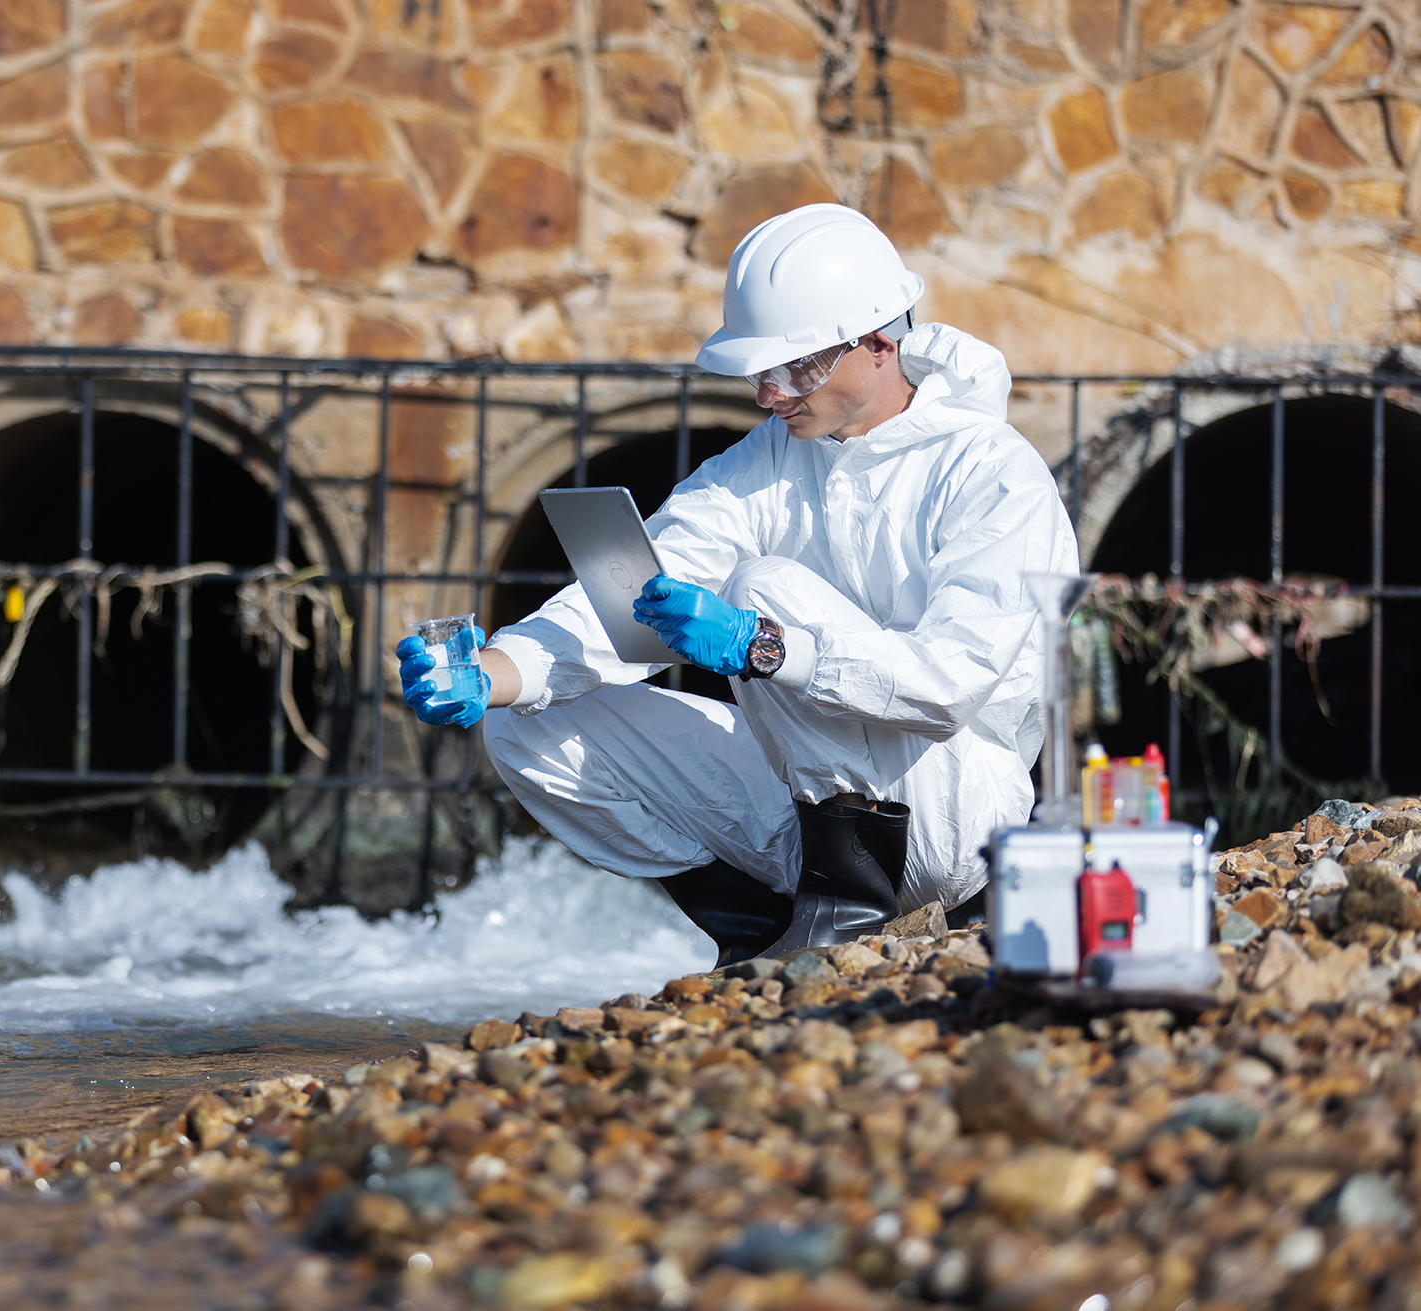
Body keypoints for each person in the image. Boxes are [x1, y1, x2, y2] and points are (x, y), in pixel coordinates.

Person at [397, 203, 1080, 968]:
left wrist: (764, 644)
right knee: (525, 724)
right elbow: (643, 586)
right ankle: (755, 927)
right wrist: (498, 671)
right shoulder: (768, 461)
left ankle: (850, 908)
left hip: (955, 813)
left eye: (794, 367)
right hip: (807, 807)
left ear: (881, 342)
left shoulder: (995, 473)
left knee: (763, 586)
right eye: (761, 370)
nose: (769, 393)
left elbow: (949, 686)